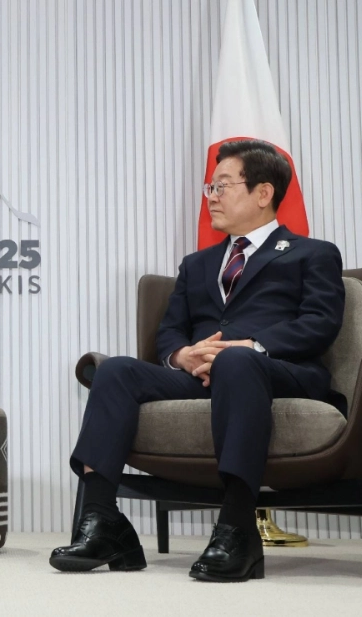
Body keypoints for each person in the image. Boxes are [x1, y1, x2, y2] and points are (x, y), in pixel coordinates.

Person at [48, 139, 345, 582]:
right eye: (211, 187)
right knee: (115, 371)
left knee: (236, 363)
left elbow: (320, 322)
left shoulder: (311, 253)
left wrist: (250, 347)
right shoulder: (197, 264)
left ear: (263, 193)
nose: (211, 196)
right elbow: (170, 330)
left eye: (222, 186)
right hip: (204, 375)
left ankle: (238, 526)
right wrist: (182, 355)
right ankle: (101, 519)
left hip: (276, 372)